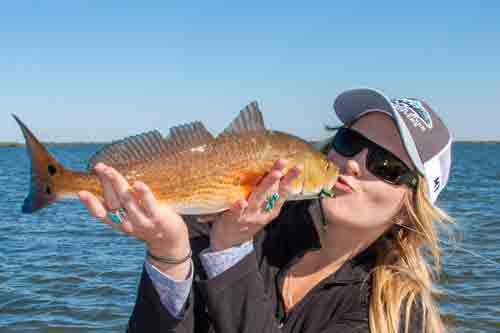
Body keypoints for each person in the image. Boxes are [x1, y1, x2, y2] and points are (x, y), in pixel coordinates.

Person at [78, 88, 453, 333]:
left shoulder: (392, 315)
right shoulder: (234, 217)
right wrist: (169, 257)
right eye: (349, 140)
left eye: (387, 165)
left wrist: (229, 255)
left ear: (409, 209)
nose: (353, 163)